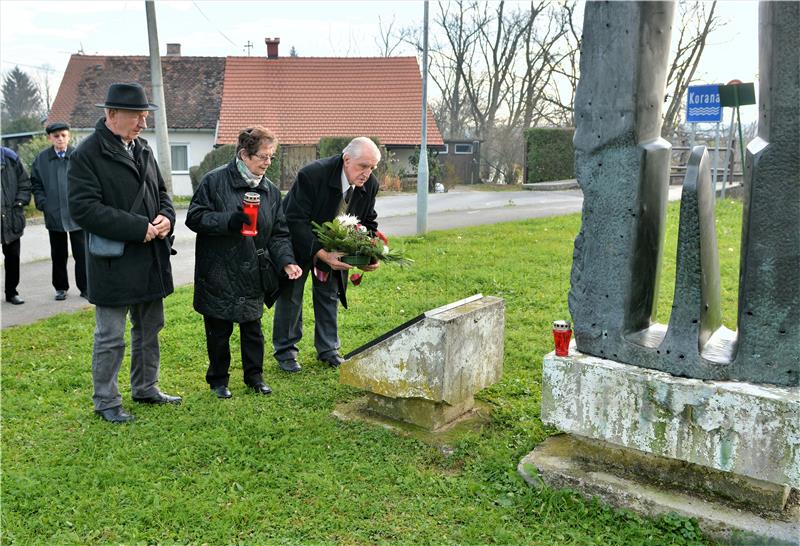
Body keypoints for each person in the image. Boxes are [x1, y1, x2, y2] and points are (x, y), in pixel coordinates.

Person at [68, 82, 181, 423]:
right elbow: (84, 209)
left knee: (150, 327)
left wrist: (166, 218)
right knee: (110, 335)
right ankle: (106, 401)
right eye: (137, 116)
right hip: (114, 262)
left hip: (149, 258)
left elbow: (161, 193)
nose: (143, 123)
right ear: (111, 114)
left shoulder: (143, 148)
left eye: (146, 116)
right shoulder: (86, 154)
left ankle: (146, 387)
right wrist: (138, 227)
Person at [187, 127, 302, 399]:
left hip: (253, 269)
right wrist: (229, 220)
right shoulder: (214, 182)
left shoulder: (270, 191)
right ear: (243, 154)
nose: (268, 163)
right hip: (218, 269)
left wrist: (286, 261)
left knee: (253, 329)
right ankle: (218, 381)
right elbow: (194, 217)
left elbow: (279, 232)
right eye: (263, 156)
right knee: (218, 330)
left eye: (271, 157)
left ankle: (255, 377)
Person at [273, 137, 381, 372]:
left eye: (372, 167)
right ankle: (286, 352)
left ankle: (328, 350)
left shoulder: (370, 184)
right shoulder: (312, 175)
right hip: (297, 238)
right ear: (346, 159)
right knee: (291, 294)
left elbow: (367, 221)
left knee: (329, 293)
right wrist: (320, 253)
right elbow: (294, 219)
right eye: (363, 166)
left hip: (333, 243)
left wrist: (367, 253)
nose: (367, 173)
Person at [31, 122, 87, 301]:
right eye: (56, 136)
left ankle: (85, 288)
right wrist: (43, 203)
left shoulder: (78, 156)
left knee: (82, 254)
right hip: (54, 215)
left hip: (77, 214)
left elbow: (89, 181)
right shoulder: (41, 159)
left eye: (63, 135)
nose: (60, 139)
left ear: (69, 136)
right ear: (50, 138)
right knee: (58, 255)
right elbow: (36, 184)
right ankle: (61, 288)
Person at [1, 146, 31, 305]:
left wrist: (19, 203)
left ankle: (11, 292)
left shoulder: (10, 157)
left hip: (11, 217)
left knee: (13, 258)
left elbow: (25, 183)